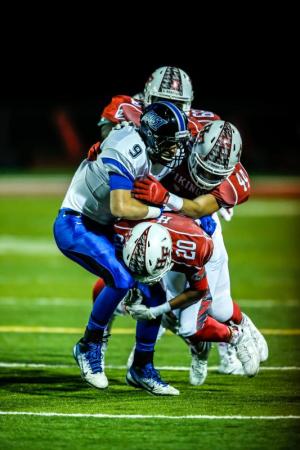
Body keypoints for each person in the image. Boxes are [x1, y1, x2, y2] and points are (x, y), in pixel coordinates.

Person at [53, 101, 190, 393]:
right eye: (168, 142)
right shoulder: (128, 147)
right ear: (153, 136)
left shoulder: (153, 146)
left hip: (106, 224)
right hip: (76, 222)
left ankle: (142, 367)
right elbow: (121, 205)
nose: (172, 150)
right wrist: (161, 211)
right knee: (121, 279)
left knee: (154, 289)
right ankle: (88, 344)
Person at [132, 120, 269, 382]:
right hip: (167, 227)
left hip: (200, 235)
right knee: (171, 309)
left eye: (214, 174)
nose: (206, 178)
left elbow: (197, 209)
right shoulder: (179, 143)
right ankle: (193, 348)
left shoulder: (234, 183)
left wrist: (164, 197)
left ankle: (239, 327)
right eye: (204, 169)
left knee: (214, 310)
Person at [115, 215, 260, 392]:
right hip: (169, 241)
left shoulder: (194, 247)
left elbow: (197, 290)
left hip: (205, 251)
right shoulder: (123, 231)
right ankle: (199, 348)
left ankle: (238, 334)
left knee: (207, 317)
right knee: (173, 316)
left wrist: (156, 311)